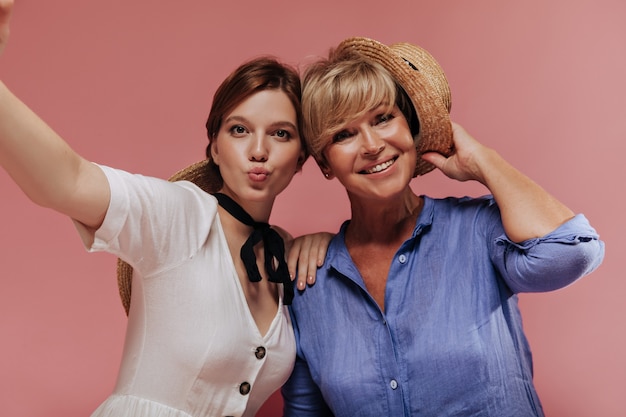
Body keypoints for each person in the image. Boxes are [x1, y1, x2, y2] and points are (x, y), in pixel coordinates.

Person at [0, 2, 330, 416]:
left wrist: (328, 243)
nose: (258, 151)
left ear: (301, 156)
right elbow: (68, 181)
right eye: (239, 130)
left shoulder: (285, 256)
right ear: (214, 145)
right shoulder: (179, 214)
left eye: (280, 134)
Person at [282, 37, 605, 416]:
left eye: (383, 118)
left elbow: (572, 252)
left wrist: (483, 161)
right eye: (344, 134)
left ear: (410, 129)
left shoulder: (478, 230)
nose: (371, 145)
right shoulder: (309, 282)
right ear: (324, 163)